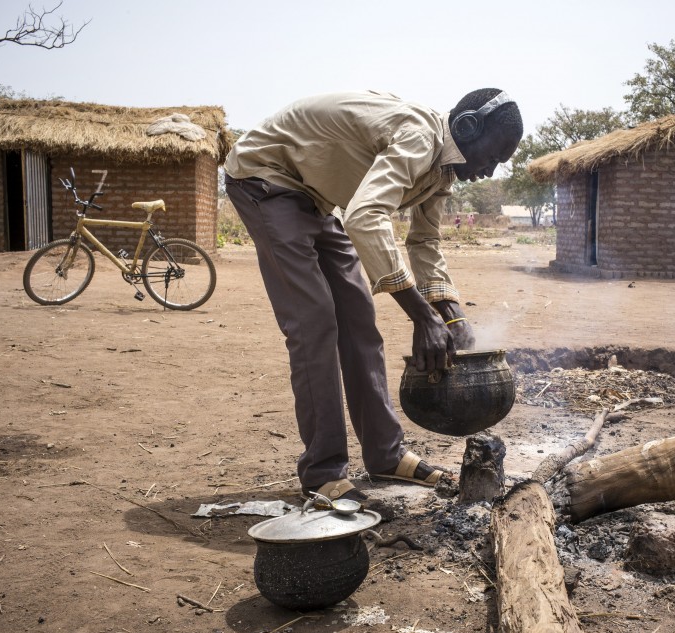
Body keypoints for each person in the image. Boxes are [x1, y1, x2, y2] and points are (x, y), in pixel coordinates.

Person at [224, 89, 523, 505]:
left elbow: (424, 242)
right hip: (266, 179)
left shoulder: (442, 170)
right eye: (493, 157)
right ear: (468, 127)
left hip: (317, 197)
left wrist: (453, 318)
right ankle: (323, 473)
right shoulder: (420, 138)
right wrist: (422, 318)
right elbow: (366, 215)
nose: (490, 171)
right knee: (315, 325)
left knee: (360, 321)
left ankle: (385, 454)